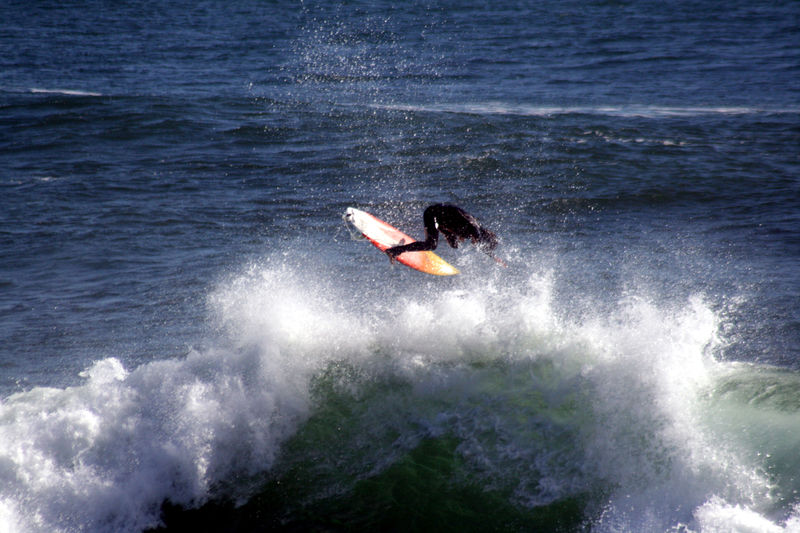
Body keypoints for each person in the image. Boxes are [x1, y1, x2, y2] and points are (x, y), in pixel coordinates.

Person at [385, 204, 504, 265]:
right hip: (433, 214)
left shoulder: (475, 230)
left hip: (443, 221)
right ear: (483, 240)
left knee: (455, 245)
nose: (475, 244)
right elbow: (482, 247)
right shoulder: (475, 230)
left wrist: (494, 257)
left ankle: (439, 230)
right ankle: (395, 251)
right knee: (431, 245)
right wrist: (493, 257)